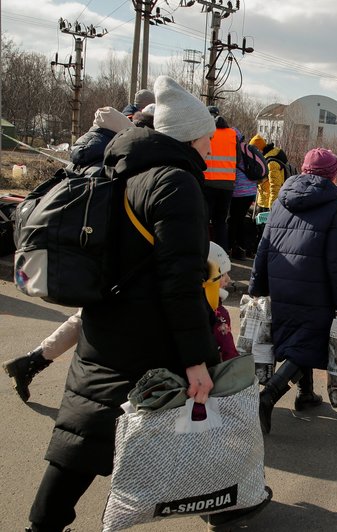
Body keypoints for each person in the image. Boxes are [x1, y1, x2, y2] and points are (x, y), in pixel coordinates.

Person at [23, 75, 230, 531]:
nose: (211, 149)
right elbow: (179, 281)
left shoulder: (123, 167)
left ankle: (41, 525)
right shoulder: (176, 183)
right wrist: (197, 358)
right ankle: (220, 498)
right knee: (174, 427)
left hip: (104, 319)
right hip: (149, 335)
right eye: (207, 139)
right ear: (188, 137)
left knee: (83, 434)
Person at [3, 106, 133, 402]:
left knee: (86, 317)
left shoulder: (80, 156)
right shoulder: (109, 164)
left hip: (74, 256)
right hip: (97, 259)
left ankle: (31, 363)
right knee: (99, 324)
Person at [249, 148, 337, 434]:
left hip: (281, 282)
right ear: (333, 174)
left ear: (304, 170)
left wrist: (257, 285)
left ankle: (305, 394)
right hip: (315, 287)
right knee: (309, 341)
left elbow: (264, 245)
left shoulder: (282, 200)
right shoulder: (335, 208)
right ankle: (269, 394)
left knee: (299, 338)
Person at [203, 113, 238, 251]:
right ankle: (222, 252)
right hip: (227, 185)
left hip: (208, 182)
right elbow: (239, 160)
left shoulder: (207, 133)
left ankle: (204, 251)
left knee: (204, 220)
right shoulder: (232, 134)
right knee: (220, 221)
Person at [228, 128, 259, 260]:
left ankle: (229, 248)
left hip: (238, 192)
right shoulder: (247, 149)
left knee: (232, 220)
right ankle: (241, 249)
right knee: (239, 220)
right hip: (250, 191)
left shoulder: (233, 149)